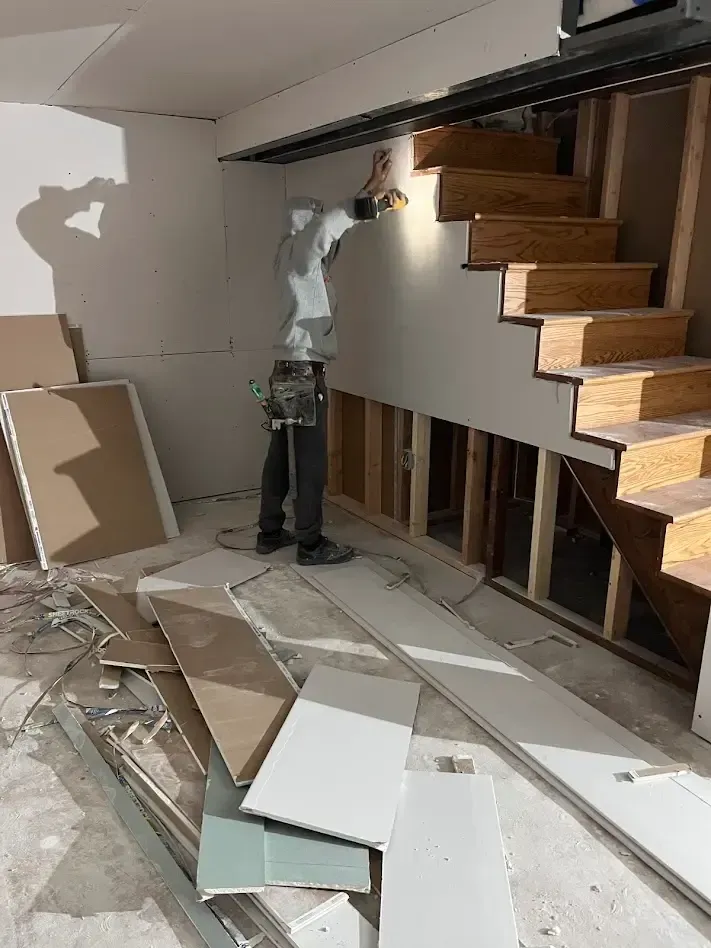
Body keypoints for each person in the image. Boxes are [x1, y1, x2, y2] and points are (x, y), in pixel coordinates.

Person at [256, 149, 398, 565]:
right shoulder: (299, 257)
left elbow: (334, 235)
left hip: (287, 371)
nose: (326, 232)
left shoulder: (301, 264)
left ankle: (269, 532)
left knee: (280, 454)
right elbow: (325, 230)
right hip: (302, 373)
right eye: (316, 218)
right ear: (305, 224)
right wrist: (369, 203)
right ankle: (311, 544)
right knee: (311, 461)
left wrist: (370, 191)